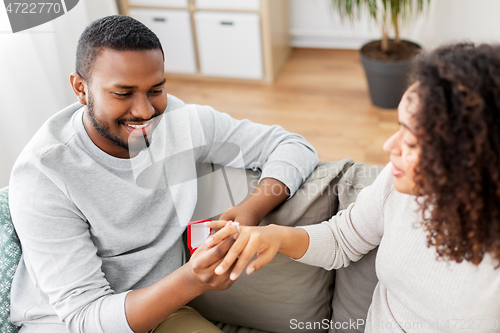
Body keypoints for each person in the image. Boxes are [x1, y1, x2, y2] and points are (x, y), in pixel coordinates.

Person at [8, 15, 318, 333]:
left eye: (155, 90)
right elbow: (85, 317)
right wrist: (192, 280)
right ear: (81, 89)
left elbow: (292, 146)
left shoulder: (179, 121)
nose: (144, 111)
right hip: (64, 325)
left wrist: (250, 210)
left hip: (161, 313)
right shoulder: (43, 175)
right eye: (123, 93)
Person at [208, 43, 500, 332]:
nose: (389, 146)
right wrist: (273, 236)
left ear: (467, 158)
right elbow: (341, 240)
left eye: (411, 141)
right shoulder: (397, 184)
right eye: (398, 127)